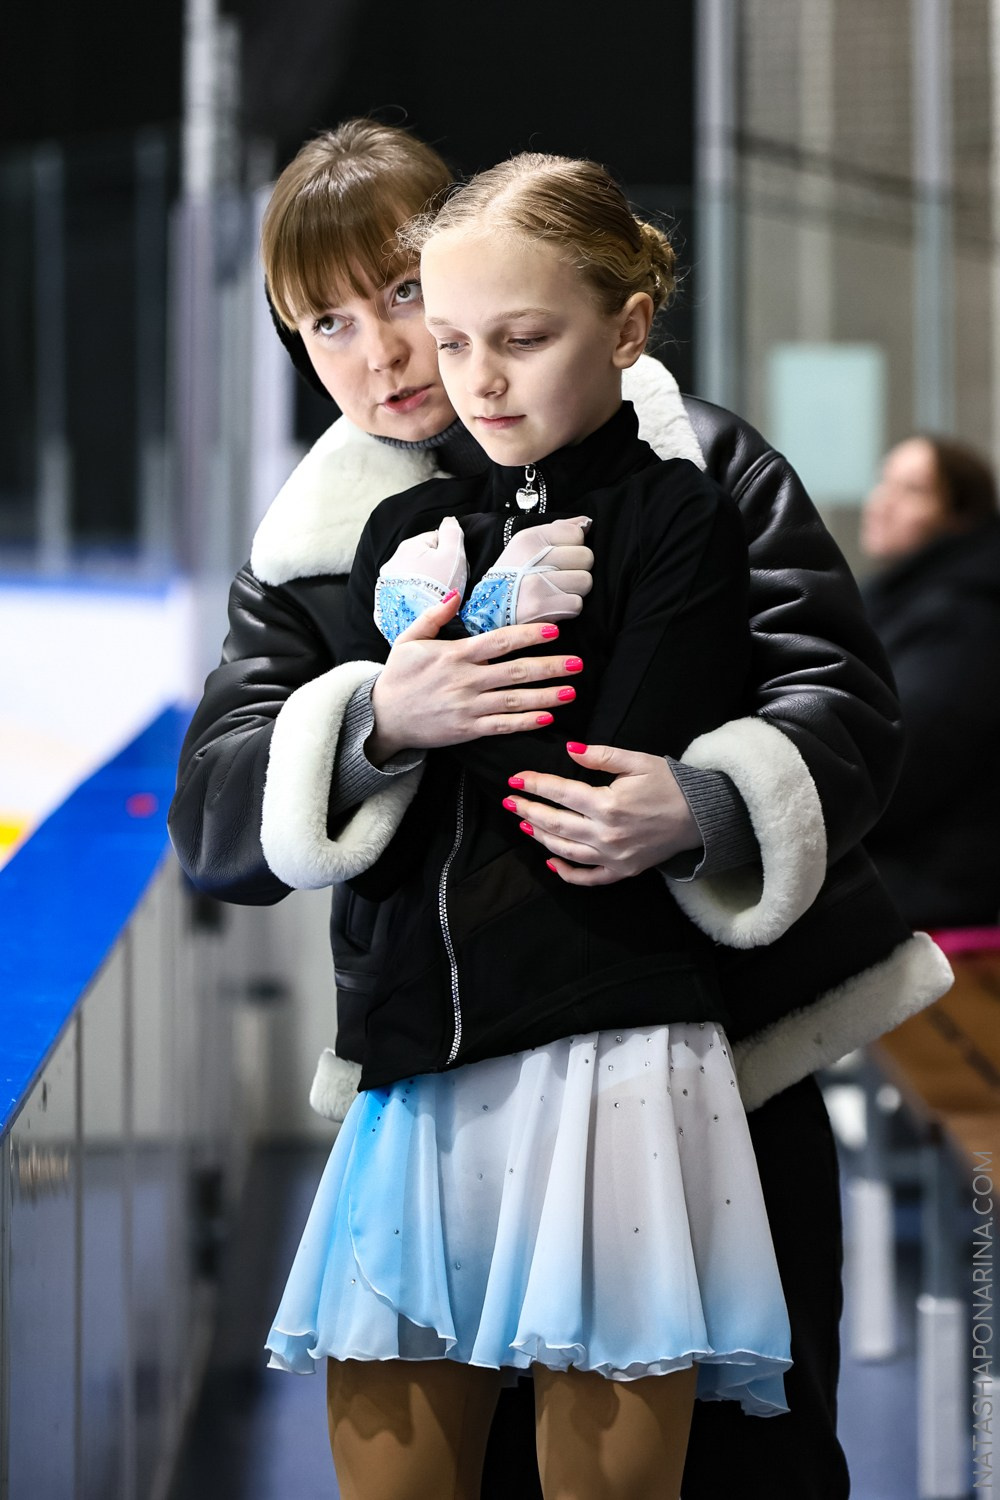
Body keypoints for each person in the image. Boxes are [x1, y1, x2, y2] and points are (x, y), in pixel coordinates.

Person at [167, 121, 952, 1499]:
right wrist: (370, 721)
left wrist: (707, 799)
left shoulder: (699, 469)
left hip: (712, 1059)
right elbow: (216, 812)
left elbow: (846, 704)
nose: (397, 354)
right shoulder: (305, 553)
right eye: (327, 325)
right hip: (440, 1073)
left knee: (748, 1461)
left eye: (409, 292)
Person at [265, 149, 798, 1499]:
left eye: (517, 337)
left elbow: (594, 777)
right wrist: (393, 699)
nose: (465, 375)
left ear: (623, 328)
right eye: (451, 339)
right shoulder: (396, 524)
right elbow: (263, 796)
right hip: (419, 1040)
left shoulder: (685, 499)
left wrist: (478, 658)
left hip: (605, 1039)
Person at [860, 433, 1000, 929]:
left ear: (960, 517)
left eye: (913, 491)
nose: (883, 502)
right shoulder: (903, 598)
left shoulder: (965, 615)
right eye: (885, 481)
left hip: (934, 889)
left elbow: (899, 764)